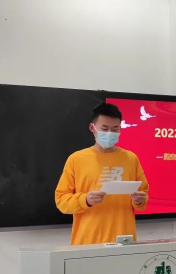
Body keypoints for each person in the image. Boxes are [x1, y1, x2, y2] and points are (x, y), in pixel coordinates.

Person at [55, 103, 149, 245]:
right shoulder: (76, 159)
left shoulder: (131, 158)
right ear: (92, 128)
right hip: (88, 242)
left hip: (124, 241)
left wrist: (139, 200)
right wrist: (85, 200)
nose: (110, 133)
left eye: (115, 129)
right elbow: (61, 201)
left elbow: (143, 196)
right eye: (105, 129)